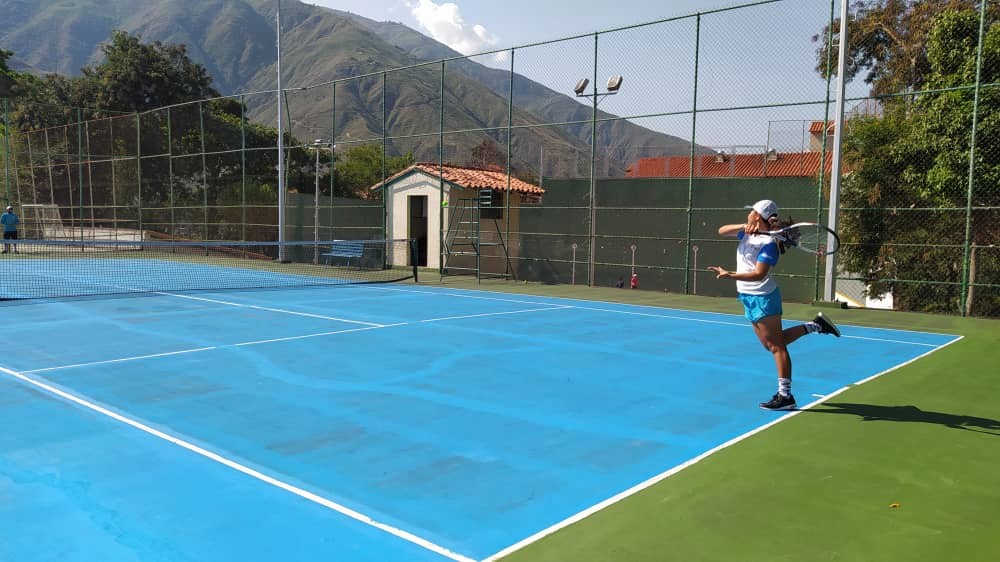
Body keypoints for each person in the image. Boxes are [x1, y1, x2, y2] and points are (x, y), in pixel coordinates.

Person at [708, 199, 841, 410]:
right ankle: (816, 325)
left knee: (777, 347)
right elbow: (721, 230)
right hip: (747, 296)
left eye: (751, 212)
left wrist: (729, 275)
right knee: (771, 344)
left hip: (763, 297)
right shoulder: (746, 233)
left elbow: (759, 274)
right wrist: (744, 227)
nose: (748, 214)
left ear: (759, 217)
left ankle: (785, 396)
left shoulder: (769, 245)